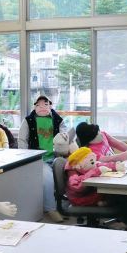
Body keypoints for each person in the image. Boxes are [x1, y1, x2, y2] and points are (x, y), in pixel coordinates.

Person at [18, 95, 78, 223]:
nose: (43, 107)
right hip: (39, 159)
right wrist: (25, 159)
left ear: (50, 105)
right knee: (48, 179)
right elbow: (22, 140)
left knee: (72, 174)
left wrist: (65, 138)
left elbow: (65, 134)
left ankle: (73, 203)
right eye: (39, 105)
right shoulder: (28, 120)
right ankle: (51, 209)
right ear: (35, 106)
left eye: (46, 104)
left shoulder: (57, 119)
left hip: (57, 156)